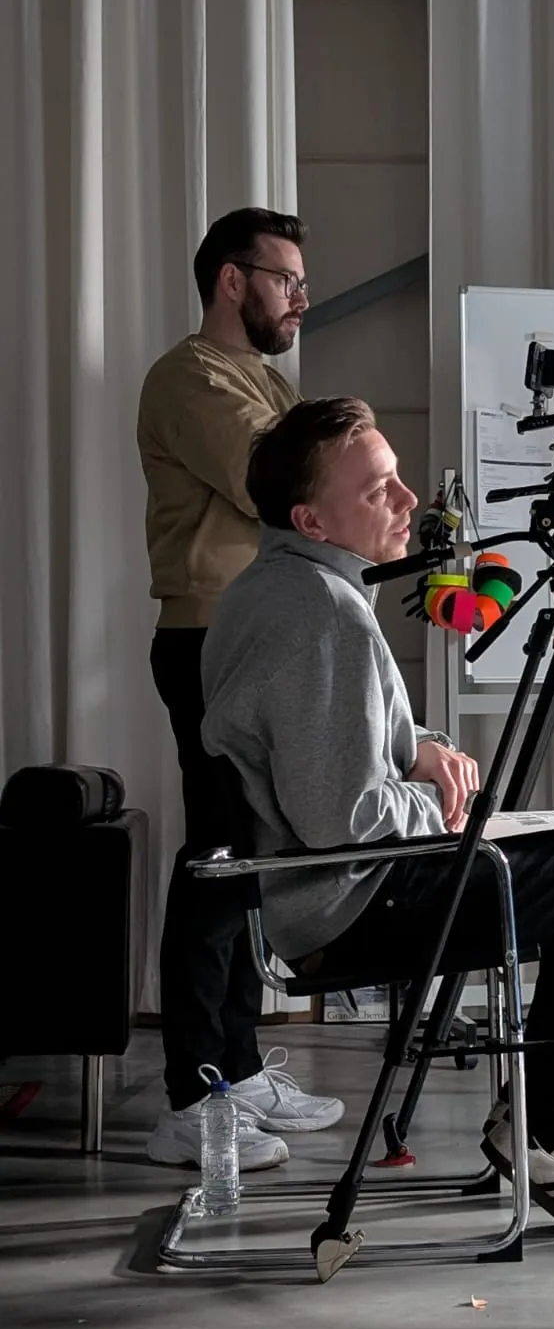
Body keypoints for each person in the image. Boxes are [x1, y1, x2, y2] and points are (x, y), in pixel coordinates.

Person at [199, 397, 554, 1233]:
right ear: (312, 518)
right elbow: (344, 814)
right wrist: (439, 802)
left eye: (398, 478)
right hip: (355, 904)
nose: (407, 500)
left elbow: (341, 739)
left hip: (340, 892)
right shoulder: (321, 613)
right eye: (377, 489)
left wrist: (419, 747)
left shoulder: (276, 586)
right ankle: (551, 1130)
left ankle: (549, 1120)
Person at [138, 207, 344, 1170]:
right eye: (285, 278)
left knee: (252, 858)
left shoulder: (261, 377)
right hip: (211, 641)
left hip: (259, 640)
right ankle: (193, 1094)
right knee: (221, 858)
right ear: (232, 280)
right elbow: (275, 476)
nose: (300, 297)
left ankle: (239, 1062)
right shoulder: (192, 378)